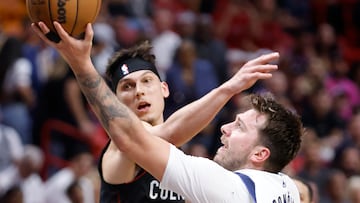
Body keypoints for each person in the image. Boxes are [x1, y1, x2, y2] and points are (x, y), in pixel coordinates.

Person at [31, 21, 302, 202]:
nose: (138, 91)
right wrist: (229, 88)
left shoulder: (197, 168)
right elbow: (157, 133)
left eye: (146, 81)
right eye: (126, 87)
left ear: (164, 89)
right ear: (111, 101)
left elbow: (170, 132)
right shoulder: (119, 149)